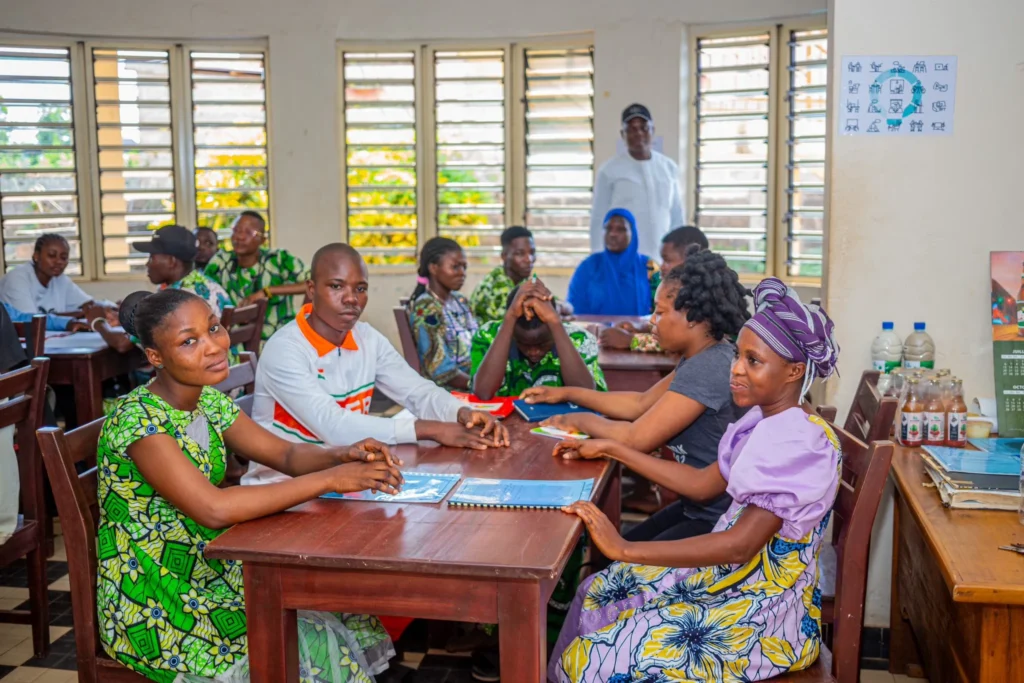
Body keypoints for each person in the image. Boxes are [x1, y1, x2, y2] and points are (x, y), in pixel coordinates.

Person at [97, 288, 403, 681]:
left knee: (338, 602)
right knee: (308, 631)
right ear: (155, 357)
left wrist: (344, 455)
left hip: (208, 563)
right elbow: (214, 508)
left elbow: (287, 456)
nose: (212, 347)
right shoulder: (139, 422)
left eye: (214, 329)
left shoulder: (207, 401)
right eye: (189, 341)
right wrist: (331, 479)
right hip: (154, 597)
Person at [548, 277, 841, 682]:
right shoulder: (766, 420)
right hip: (735, 580)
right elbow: (704, 484)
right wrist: (612, 449)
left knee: (588, 659)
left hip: (765, 614)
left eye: (752, 361)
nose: (735, 370)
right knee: (597, 591)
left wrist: (624, 547)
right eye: (738, 355)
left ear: (793, 370)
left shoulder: (796, 441)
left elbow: (740, 545)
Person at [524, 251, 750, 541]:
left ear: (693, 315)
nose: (653, 321)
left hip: (721, 521)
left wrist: (577, 420)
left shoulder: (708, 366)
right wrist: (566, 393)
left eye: (661, 312)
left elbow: (635, 438)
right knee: (615, 554)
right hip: (701, 508)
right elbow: (639, 404)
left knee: (617, 564)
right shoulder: (705, 356)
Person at [245, 243, 509, 486]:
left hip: (345, 480)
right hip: (282, 491)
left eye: (360, 288)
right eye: (337, 286)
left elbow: (416, 390)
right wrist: (430, 429)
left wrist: (460, 412)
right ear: (311, 290)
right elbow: (334, 427)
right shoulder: (285, 349)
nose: (351, 298)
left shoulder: (366, 337)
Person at [83, 225, 233, 357]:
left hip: (200, 385)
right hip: (229, 377)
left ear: (171, 261)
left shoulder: (170, 300)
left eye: (152, 257)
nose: (147, 263)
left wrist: (98, 321)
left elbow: (122, 344)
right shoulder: (206, 284)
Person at [471, 281, 606, 400]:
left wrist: (555, 323)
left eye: (542, 344)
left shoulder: (579, 338)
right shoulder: (489, 334)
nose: (534, 352)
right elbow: (483, 393)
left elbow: (587, 395)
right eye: (523, 344)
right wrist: (510, 318)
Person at [589, 104, 684, 259]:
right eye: (631, 129)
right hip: (624, 261)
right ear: (623, 134)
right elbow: (599, 219)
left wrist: (679, 258)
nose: (638, 133)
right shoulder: (609, 170)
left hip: (662, 261)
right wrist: (599, 262)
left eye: (644, 127)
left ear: (652, 130)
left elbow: (676, 217)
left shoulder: (669, 167)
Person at [599, 225, 709, 351]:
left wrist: (631, 341)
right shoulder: (681, 292)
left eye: (667, 260)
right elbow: (670, 326)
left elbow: (682, 342)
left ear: (690, 261)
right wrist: (640, 327)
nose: (662, 267)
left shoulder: (702, 297)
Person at [204, 211, 308, 344]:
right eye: (236, 230)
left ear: (263, 240)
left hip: (280, 340)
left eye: (249, 232)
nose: (239, 237)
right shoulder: (221, 261)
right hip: (234, 344)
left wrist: (267, 291)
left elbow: (314, 283)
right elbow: (203, 293)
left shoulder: (278, 259)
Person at [407, 237, 478, 390]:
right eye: (455, 267)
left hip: (476, 378)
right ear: (433, 268)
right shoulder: (426, 309)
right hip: (451, 391)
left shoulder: (461, 302)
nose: (462, 273)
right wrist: (478, 385)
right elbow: (441, 369)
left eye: (464, 267)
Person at [469, 226, 572, 324]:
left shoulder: (523, 280)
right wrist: (555, 313)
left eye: (532, 252)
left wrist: (558, 308)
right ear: (504, 256)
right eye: (520, 254)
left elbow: (562, 305)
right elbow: (522, 323)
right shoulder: (496, 286)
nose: (529, 259)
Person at [0, 234, 114, 316]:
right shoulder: (17, 279)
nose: (59, 261)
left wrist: (112, 307)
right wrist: (80, 314)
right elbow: (32, 321)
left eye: (64, 257)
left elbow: (89, 304)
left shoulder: (60, 279)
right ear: (36, 256)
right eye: (51, 255)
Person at [567, 208, 653, 316]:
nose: (613, 234)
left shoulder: (649, 267)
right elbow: (575, 310)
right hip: (594, 332)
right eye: (608, 228)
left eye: (621, 229)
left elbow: (660, 310)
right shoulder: (588, 267)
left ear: (633, 233)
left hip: (640, 332)